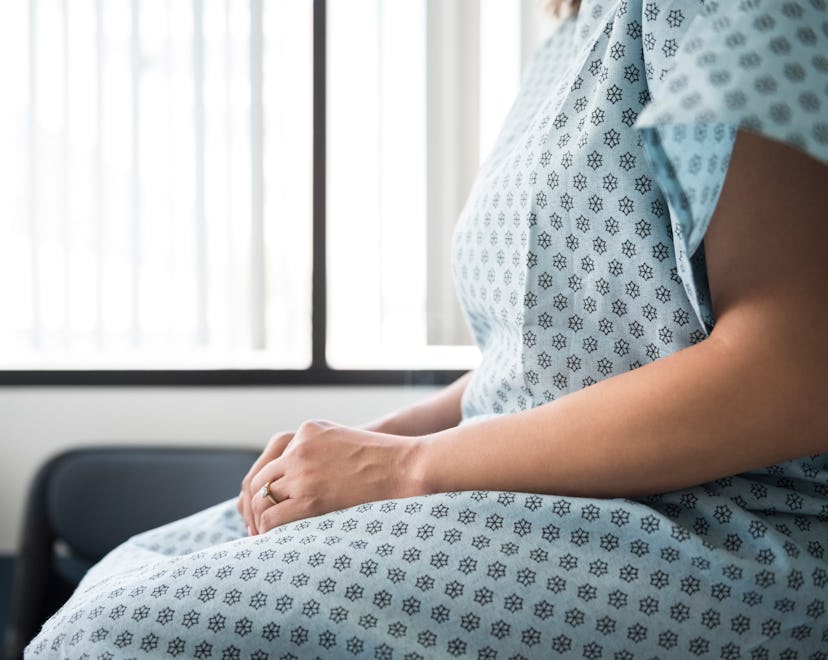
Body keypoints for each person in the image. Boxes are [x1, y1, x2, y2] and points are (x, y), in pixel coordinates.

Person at [27, 0, 828, 657]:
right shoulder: (569, 36)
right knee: (123, 576)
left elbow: (791, 369)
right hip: (522, 481)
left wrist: (403, 469)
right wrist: (367, 442)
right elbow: (550, 356)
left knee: (126, 636)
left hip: (721, 528)